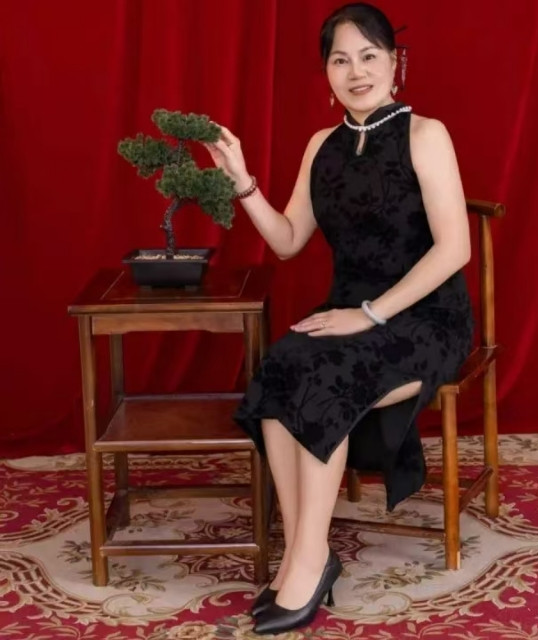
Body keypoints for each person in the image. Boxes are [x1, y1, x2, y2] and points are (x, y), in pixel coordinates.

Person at [202, 2, 473, 634]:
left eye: (369, 56)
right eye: (340, 60)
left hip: (425, 316)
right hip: (348, 312)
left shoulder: (426, 135)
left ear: (395, 63)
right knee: (281, 367)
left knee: (324, 377)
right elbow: (288, 240)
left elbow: (454, 249)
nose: (356, 72)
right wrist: (242, 182)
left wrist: (369, 315)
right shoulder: (320, 146)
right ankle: (309, 552)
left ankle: (305, 563)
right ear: (326, 72)